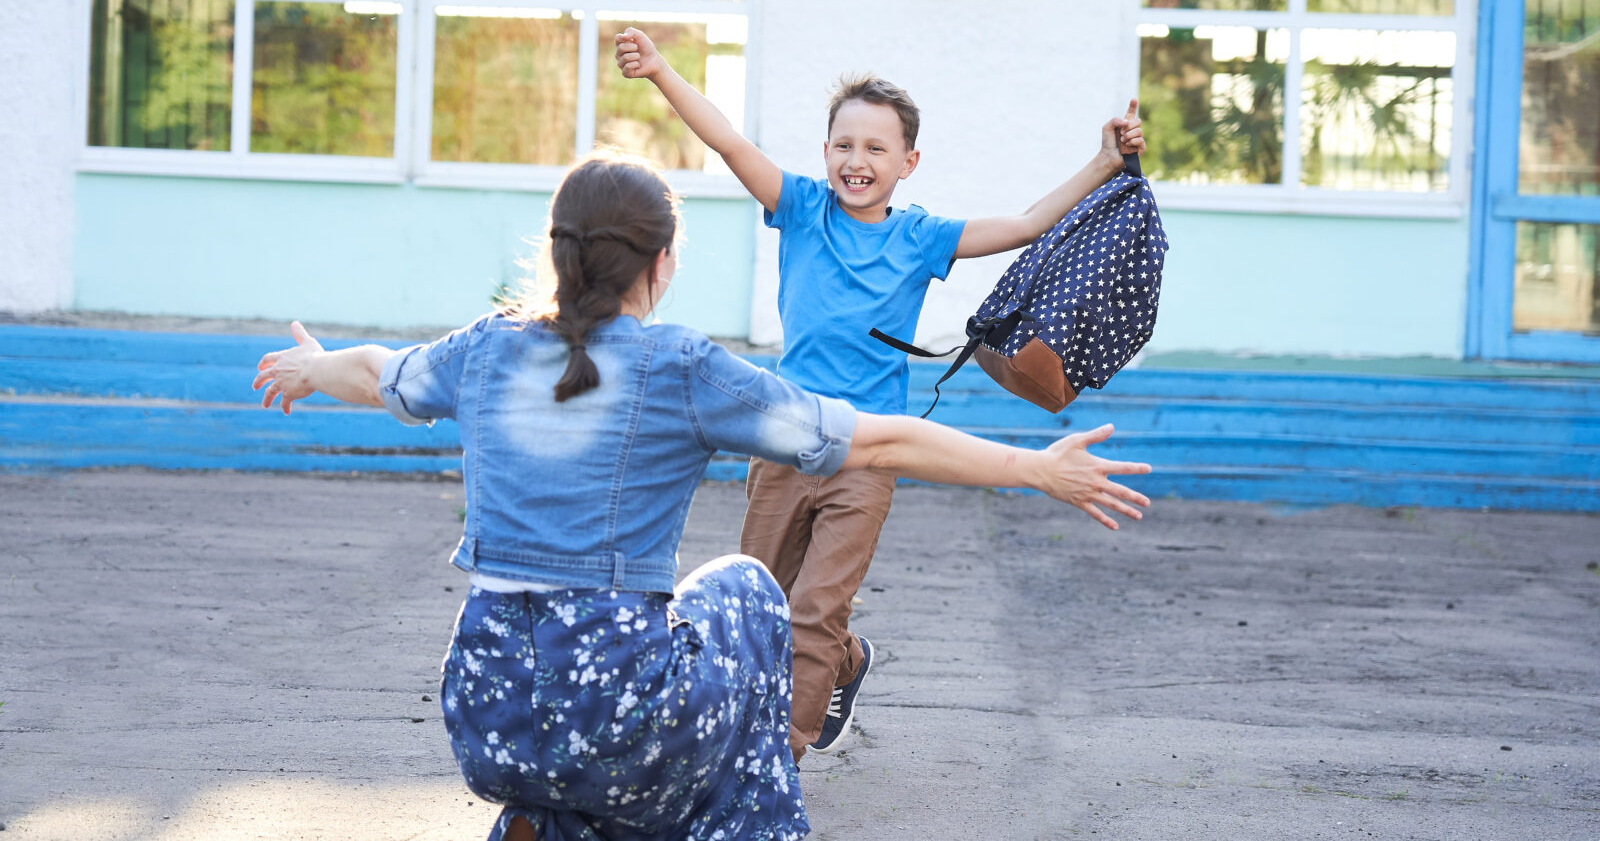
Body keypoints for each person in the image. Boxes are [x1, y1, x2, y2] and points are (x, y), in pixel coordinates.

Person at [252, 151, 1150, 841]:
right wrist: (1031, 466)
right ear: (663, 261)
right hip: (613, 707)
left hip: (485, 713)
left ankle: (544, 820)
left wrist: (313, 363)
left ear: (559, 254)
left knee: (606, 759)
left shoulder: (485, 349)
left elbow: (379, 374)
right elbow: (877, 436)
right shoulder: (677, 368)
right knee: (749, 593)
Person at [614, 28, 1148, 760]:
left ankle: (778, 759)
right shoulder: (801, 209)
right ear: (825, 151)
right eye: (843, 145)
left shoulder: (921, 238)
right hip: (781, 442)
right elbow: (730, 144)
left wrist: (1105, 161)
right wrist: (662, 73)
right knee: (759, 605)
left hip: (868, 456)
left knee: (815, 609)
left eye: (875, 149)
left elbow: (1026, 225)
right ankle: (846, 661)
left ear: (908, 162)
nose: (856, 161)